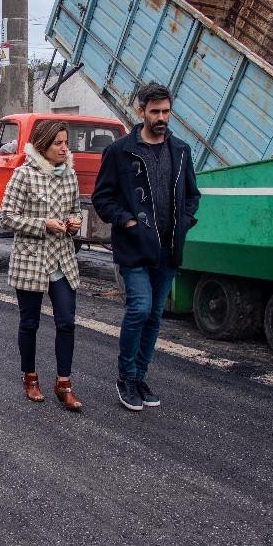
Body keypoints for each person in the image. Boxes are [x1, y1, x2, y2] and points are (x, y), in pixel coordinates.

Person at [92, 81, 200, 411]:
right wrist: (127, 221)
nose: (162, 117)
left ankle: (139, 375)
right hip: (134, 247)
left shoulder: (180, 151)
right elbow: (102, 197)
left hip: (168, 249)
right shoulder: (120, 151)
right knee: (139, 308)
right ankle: (125, 377)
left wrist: (184, 220)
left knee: (154, 314)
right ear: (141, 111)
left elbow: (192, 196)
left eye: (166, 111)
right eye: (155, 111)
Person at [0, 120, 84, 411]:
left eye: (65, 142)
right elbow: (6, 217)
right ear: (42, 145)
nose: (64, 148)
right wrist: (42, 224)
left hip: (61, 258)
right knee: (30, 322)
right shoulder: (23, 175)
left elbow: (75, 210)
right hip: (31, 259)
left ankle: (64, 383)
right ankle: (30, 377)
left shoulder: (70, 175)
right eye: (58, 143)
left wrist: (74, 223)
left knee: (66, 321)